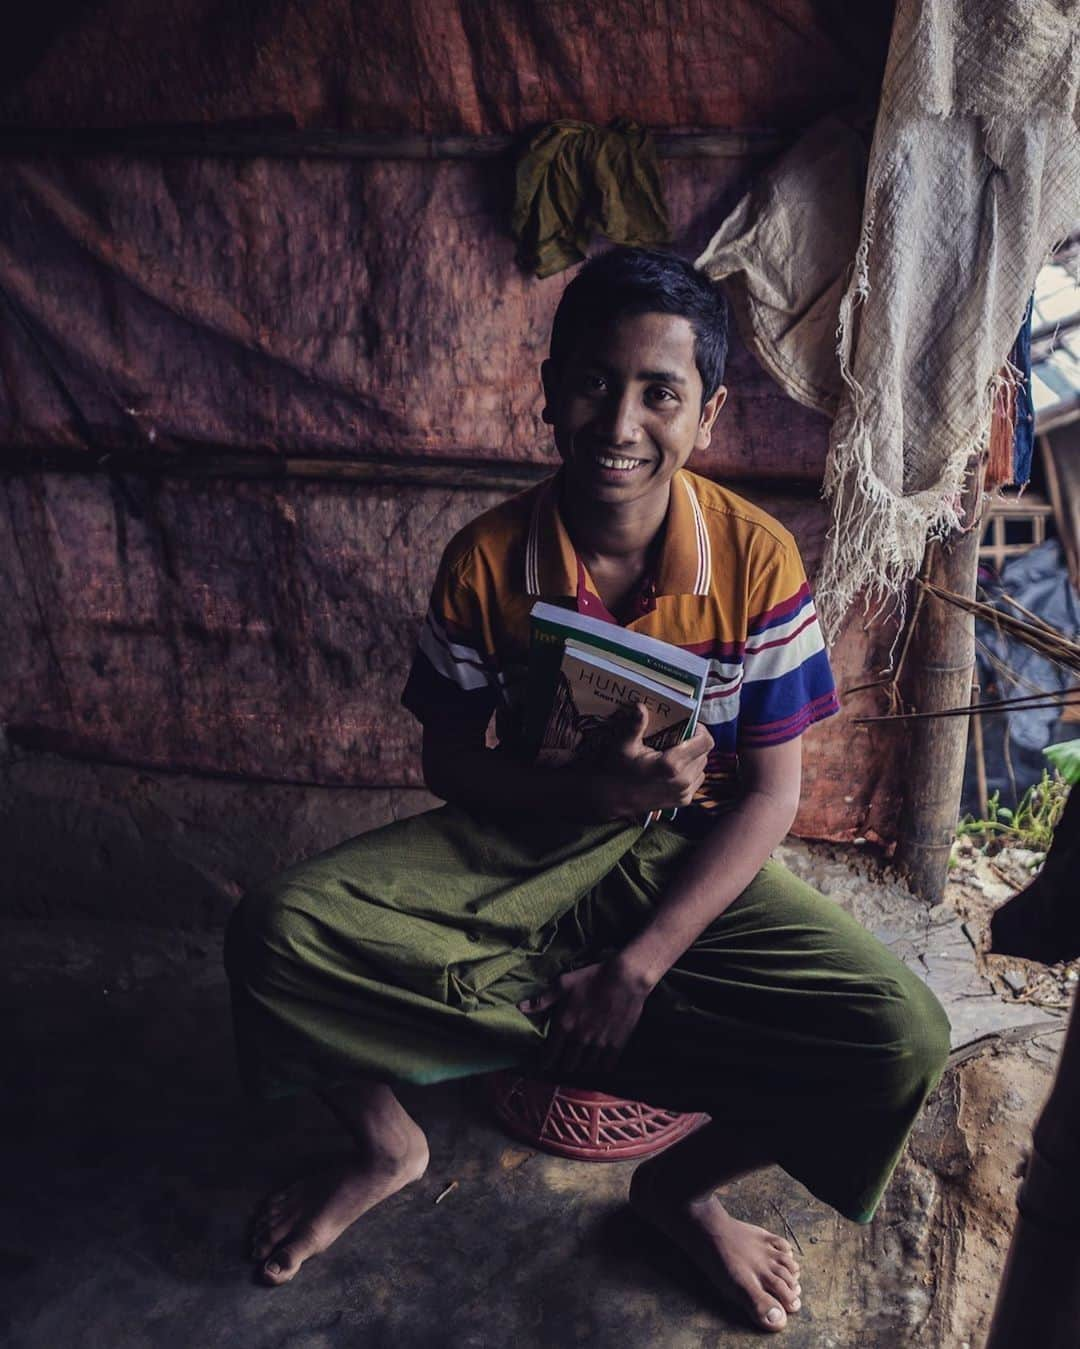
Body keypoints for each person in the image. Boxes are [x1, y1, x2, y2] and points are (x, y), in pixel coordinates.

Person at [225, 246, 951, 1333]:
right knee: (274, 934)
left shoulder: (757, 562)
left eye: (660, 392)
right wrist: (577, 789)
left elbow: (767, 797)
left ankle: (677, 1186)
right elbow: (449, 762)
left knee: (903, 1034)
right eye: (594, 383)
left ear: (705, 413)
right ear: (550, 391)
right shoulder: (484, 559)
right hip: (518, 842)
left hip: (681, 851)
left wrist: (640, 967)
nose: (621, 422)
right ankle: (387, 1143)